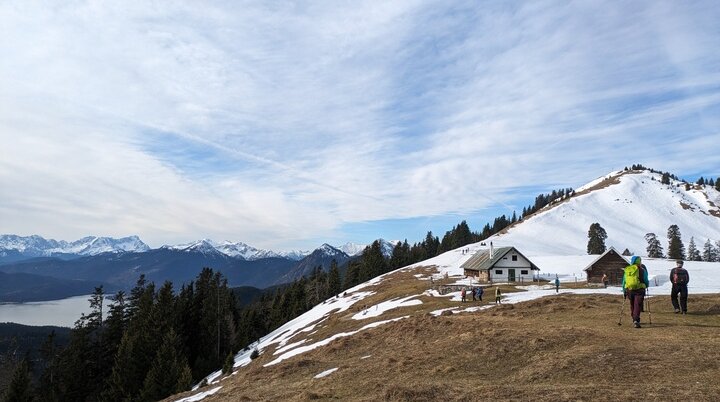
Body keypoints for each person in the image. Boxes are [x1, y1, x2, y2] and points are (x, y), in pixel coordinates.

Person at [622, 256, 650, 328]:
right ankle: (636, 320)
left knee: (632, 304)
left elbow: (624, 281)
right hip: (640, 289)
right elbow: (646, 279)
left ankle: (633, 318)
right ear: (639, 261)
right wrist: (646, 285)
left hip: (630, 289)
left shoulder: (628, 269)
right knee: (638, 304)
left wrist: (624, 289)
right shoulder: (642, 270)